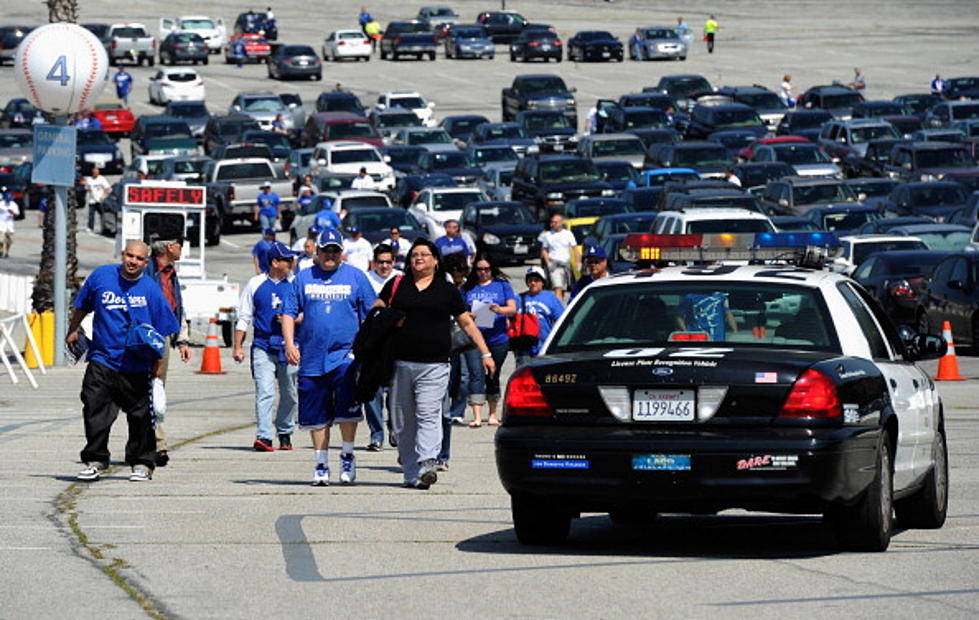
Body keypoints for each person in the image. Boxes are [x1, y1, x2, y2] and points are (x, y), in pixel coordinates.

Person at [374, 239, 494, 489]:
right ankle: (410, 471)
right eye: (414, 255)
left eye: (424, 254)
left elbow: (467, 323)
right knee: (403, 420)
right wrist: (386, 318)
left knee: (428, 413)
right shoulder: (397, 285)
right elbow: (376, 310)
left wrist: (485, 353)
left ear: (435, 260)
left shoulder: (446, 290)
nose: (418, 258)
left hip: (435, 365)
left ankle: (427, 462)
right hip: (400, 363)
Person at [67, 240, 180, 482]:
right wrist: (73, 330)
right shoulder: (101, 277)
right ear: (122, 255)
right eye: (130, 256)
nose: (133, 262)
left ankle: (141, 462)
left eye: (139, 259)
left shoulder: (150, 289)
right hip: (103, 358)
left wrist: (158, 369)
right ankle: (95, 459)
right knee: (94, 408)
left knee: (140, 417)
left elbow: (163, 330)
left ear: (146, 262)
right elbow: (82, 306)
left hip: (136, 363)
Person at [282, 229, 376, 486]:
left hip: (346, 354)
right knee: (316, 414)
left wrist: (368, 345)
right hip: (312, 357)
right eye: (326, 250)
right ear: (317, 251)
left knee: (347, 409)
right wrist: (290, 343)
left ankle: (347, 455)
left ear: (341, 252)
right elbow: (289, 312)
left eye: (335, 251)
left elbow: (372, 312)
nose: (330, 256)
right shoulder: (303, 278)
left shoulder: (356, 277)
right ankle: (321, 462)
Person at [234, 241, 299, 452]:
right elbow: (244, 317)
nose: (292, 263)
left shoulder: (296, 284)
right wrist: (238, 346)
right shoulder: (255, 284)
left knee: (289, 393)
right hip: (263, 345)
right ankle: (264, 435)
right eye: (287, 260)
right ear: (274, 262)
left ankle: (285, 431)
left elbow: (307, 312)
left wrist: (293, 320)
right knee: (265, 391)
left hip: (290, 346)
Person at [143, 237, 192, 467]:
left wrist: (182, 340)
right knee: (142, 389)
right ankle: (147, 444)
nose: (182, 248)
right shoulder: (146, 270)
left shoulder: (171, 273)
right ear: (169, 247)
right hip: (144, 335)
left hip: (163, 335)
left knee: (157, 389)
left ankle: (157, 445)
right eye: (180, 244)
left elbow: (177, 306)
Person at [461, 253, 516, 428]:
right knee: (476, 375)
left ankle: (492, 414)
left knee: (493, 374)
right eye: (479, 269)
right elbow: (459, 311)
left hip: (498, 337)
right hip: (474, 339)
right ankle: (477, 415)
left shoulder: (502, 285)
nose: (483, 273)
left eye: (486, 269)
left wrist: (499, 310)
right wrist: (468, 315)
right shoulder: (467, 287)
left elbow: (513, 309)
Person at [363, 244, 401, 450]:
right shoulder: (365, 279)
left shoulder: (401, 280)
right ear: (374, 262)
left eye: (388, 262)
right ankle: (376, 434)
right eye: (380, 262)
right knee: (372, 393)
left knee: (395, 392)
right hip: (372, 344)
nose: (384, 266)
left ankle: (395, 429)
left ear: (393, 262)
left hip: (395, 344)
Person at [437, 252, 471, 469]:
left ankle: (442, 455)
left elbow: (466, 322)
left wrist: (484, 352)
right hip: (421, 355)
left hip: (448, 352)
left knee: (443, 409)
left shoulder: (452, 288)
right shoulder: (416, 285)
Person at [511, 266, 564, 367]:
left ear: (543, 282)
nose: (533, 283)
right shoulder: (518, 298)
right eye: (530, 280)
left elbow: (561, 321)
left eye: (536, 280)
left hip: (544, 347)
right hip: (524, 348)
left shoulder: (551, 298)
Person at [539, 213, 578, 302]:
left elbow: (575, 248)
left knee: (562, 289)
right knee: (557, 287)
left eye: (556, 222)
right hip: (554, 265)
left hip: (566, 265)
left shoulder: (568, 234)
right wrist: (548, 263)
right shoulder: (548, 235)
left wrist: (578, 263)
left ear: (561, 223)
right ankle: (558, 312)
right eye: (552, 222)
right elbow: (544, 250)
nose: (553, 224)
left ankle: (559, 307)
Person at [83, 167, 112, 231]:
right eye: (94, 173)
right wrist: (88, 190)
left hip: (100, 200)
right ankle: (90, 227)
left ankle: (104, 227)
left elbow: (108, 188)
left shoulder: (102, 179)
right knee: (91, 214)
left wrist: (103, 196)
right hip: (92, 200)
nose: (95, 174)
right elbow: (86, 188)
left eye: (96, 173)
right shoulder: (89, 179)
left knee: (102, 214)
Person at [0, 189, 19, 258]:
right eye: (7, 199)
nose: (8, 201)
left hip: (10, 225)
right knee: (1, 240)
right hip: (1, 224)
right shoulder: (1, 204)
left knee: (9, 241)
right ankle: (1, 250)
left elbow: (17, 214)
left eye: (9, 199)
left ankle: (7, 252)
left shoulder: (14, 205)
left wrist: (12, 213)